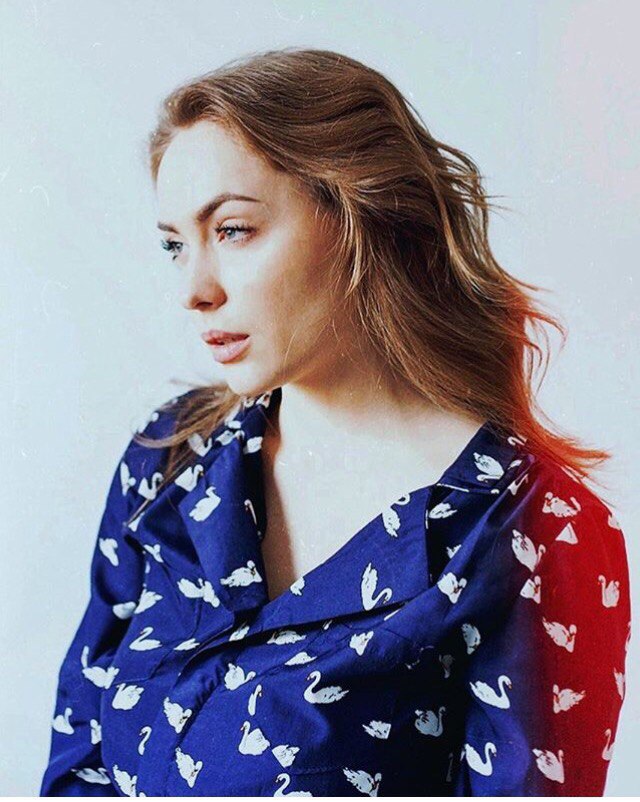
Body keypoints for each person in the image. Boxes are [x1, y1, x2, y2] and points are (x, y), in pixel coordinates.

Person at [39, 48, 630, 797]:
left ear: (360, 219)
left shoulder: (534, 533)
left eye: (234, 230)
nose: (194, 288)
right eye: (175, 245)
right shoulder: (171, 455)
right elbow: (77, 762)